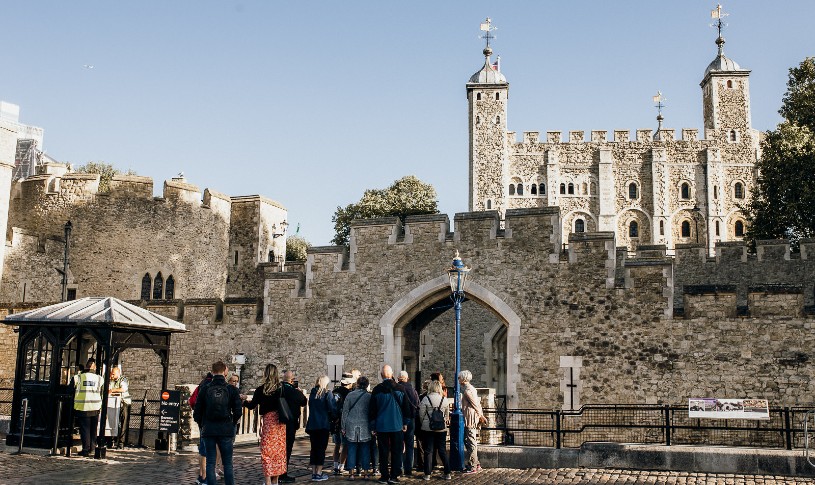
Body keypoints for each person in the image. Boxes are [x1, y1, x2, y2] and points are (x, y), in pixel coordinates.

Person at [193, 361, 243, 485]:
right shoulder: (231, 389)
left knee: (210, 462)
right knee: (227, 463)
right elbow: (238, 411)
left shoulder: (205, 388)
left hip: (209, 428)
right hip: (225, 428)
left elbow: (197, 412)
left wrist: (202, 424)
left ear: (213, 371)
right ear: (224, 371)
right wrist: (232, 424)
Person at [244, 364, 287, 485]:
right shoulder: (281, 388)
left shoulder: (260, 390)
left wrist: (242, 401)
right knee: (278, 452)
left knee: (266, 452)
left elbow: (252, 405)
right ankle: (276, 480)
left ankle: (268, 480)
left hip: (268, 422)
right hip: (280, 423)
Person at [369, 365, 411, 484]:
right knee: (396, 451)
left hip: (381, 426)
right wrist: (405, 422)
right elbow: (406, 408)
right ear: (392, 374)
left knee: (383, 452)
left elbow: (372, 410)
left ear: (381, 375)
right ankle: (394, 475)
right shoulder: (400, 388)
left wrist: (373, 426)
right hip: (397, 424)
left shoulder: (377, 390)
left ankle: (384, 475)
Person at [418, 380, 451, 481]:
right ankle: (447, 473)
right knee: (442, 450)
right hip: (441, 428)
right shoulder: (444, 400)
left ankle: (427, 474)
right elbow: (446, 416)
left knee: (428, 450)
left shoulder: (425, 399)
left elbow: (421, 414)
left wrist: (424, 423)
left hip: (428, 428)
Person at [306, 375, 336, 482]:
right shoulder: (327, 394)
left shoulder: (313, 393)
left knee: (314, 449)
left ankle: (314, 472)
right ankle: (318, 473)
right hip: (323, 424)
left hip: (313, 424)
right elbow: (332, 409)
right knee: (321, 449)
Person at [341, 376, 372, 480]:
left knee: (351, 449)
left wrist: (343, 427)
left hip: (351, 424)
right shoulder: (369, 396)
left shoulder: (350, 395)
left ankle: (351, 474)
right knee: (365, 450)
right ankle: (366, 473)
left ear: (357, 384)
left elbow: (345, 412)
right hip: (365, 424)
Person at [280, 370, 306, 483]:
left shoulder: (278, 389)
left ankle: (275, 472)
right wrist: (299, 391)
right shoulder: (294, 392)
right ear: (292, 380)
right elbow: (304, 401)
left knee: (278, 449)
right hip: (290, 423)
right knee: (287, 449)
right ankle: (283, 473)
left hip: (278, 422)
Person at [73, 358, 102, 457]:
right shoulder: (99, 378)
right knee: (93, 429)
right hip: (95, 406)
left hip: (83, 406)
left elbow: (70, 389)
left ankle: (85, 449)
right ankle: (93, 448)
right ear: (95, 367)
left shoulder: (79, 377)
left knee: (85, 429)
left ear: (86, 366)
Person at [459, 370, 485, 474]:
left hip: (470, 418)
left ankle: (473, 466)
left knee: (470, 442)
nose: (458, 380)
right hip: (472, 418)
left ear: (463, 379)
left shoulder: (467, 391)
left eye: (459, 378)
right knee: (469, 441)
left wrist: (481, 415)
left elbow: (475, 404)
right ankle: (476, 463)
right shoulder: (472, 389)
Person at [191, 372, 214, 485]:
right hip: (207, 421)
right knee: (206, 451)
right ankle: (204, 477)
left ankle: (201, 475)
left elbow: (193, 402)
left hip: (202, 421)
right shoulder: (209, 385)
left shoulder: (202, 384)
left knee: (202, 450)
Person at [395, 371, 419, 477]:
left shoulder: (396, 389)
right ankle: (408, 469)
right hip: (411, 419)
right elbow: (418, 404)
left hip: (399, 420)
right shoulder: (412, 390)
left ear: (398, 379)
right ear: (407, 378)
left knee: (399, 445)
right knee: (409, 445)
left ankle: (399, 469)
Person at [332, 373, 355, 475]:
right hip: (344, 422)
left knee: (337, 445)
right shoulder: (349, 394)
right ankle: (341, 466)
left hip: (334, 422)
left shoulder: (334, 391)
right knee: (345, 445)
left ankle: (335, 465)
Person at [108, 365, 131, 449]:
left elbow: (123, 389)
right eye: (111, 374)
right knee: (112, 422)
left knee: (123, 422)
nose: (111, 376)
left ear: (118, 373)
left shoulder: (123, 379)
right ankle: (111, 440)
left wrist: (112, 390)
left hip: (124, 403)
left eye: (113, 374)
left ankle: (121, 443)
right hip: (113, 403)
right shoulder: (111, 380)